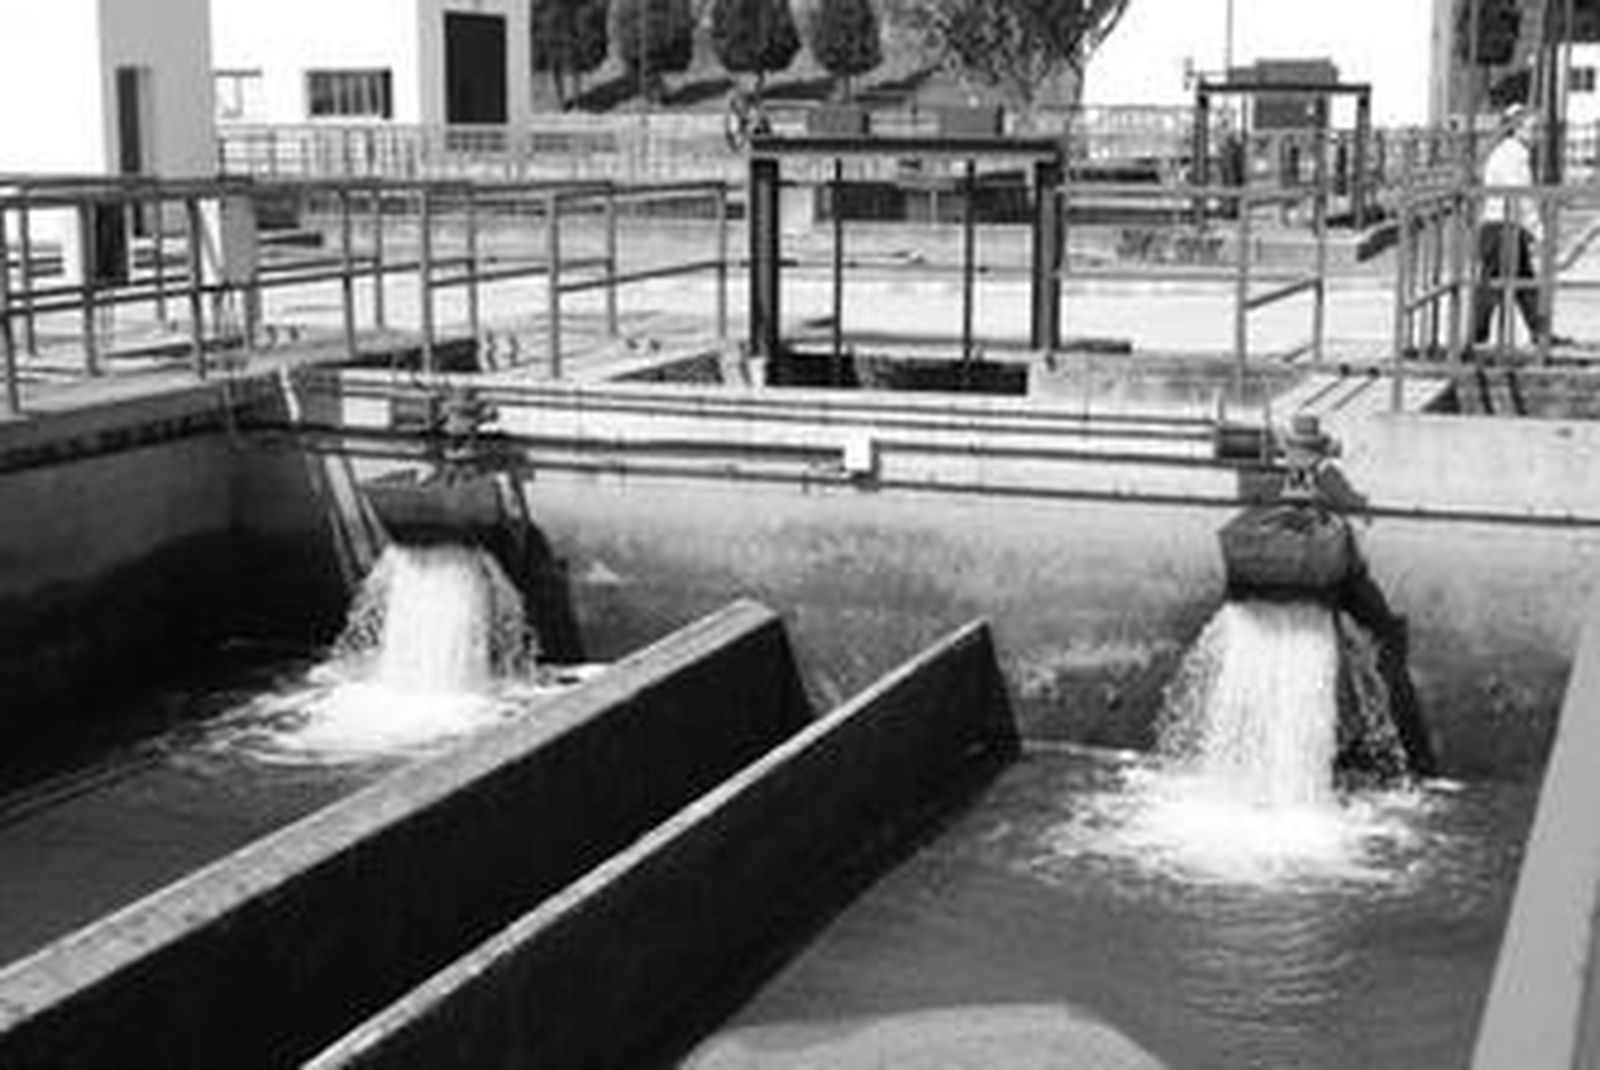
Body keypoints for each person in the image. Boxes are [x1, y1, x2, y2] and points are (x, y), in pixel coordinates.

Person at [1471, 104, 1566, 350]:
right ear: (1517, 129)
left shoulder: (1504, 152)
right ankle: (1476, 334)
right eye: (1533, 129)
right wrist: (1541, 233)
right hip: (1503, 227)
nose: (1537, 135)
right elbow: (1522, 198)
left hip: (1499, 226)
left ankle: (1539, 331)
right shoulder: (1515, 155)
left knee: (1520, 281)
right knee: (1495, 284)